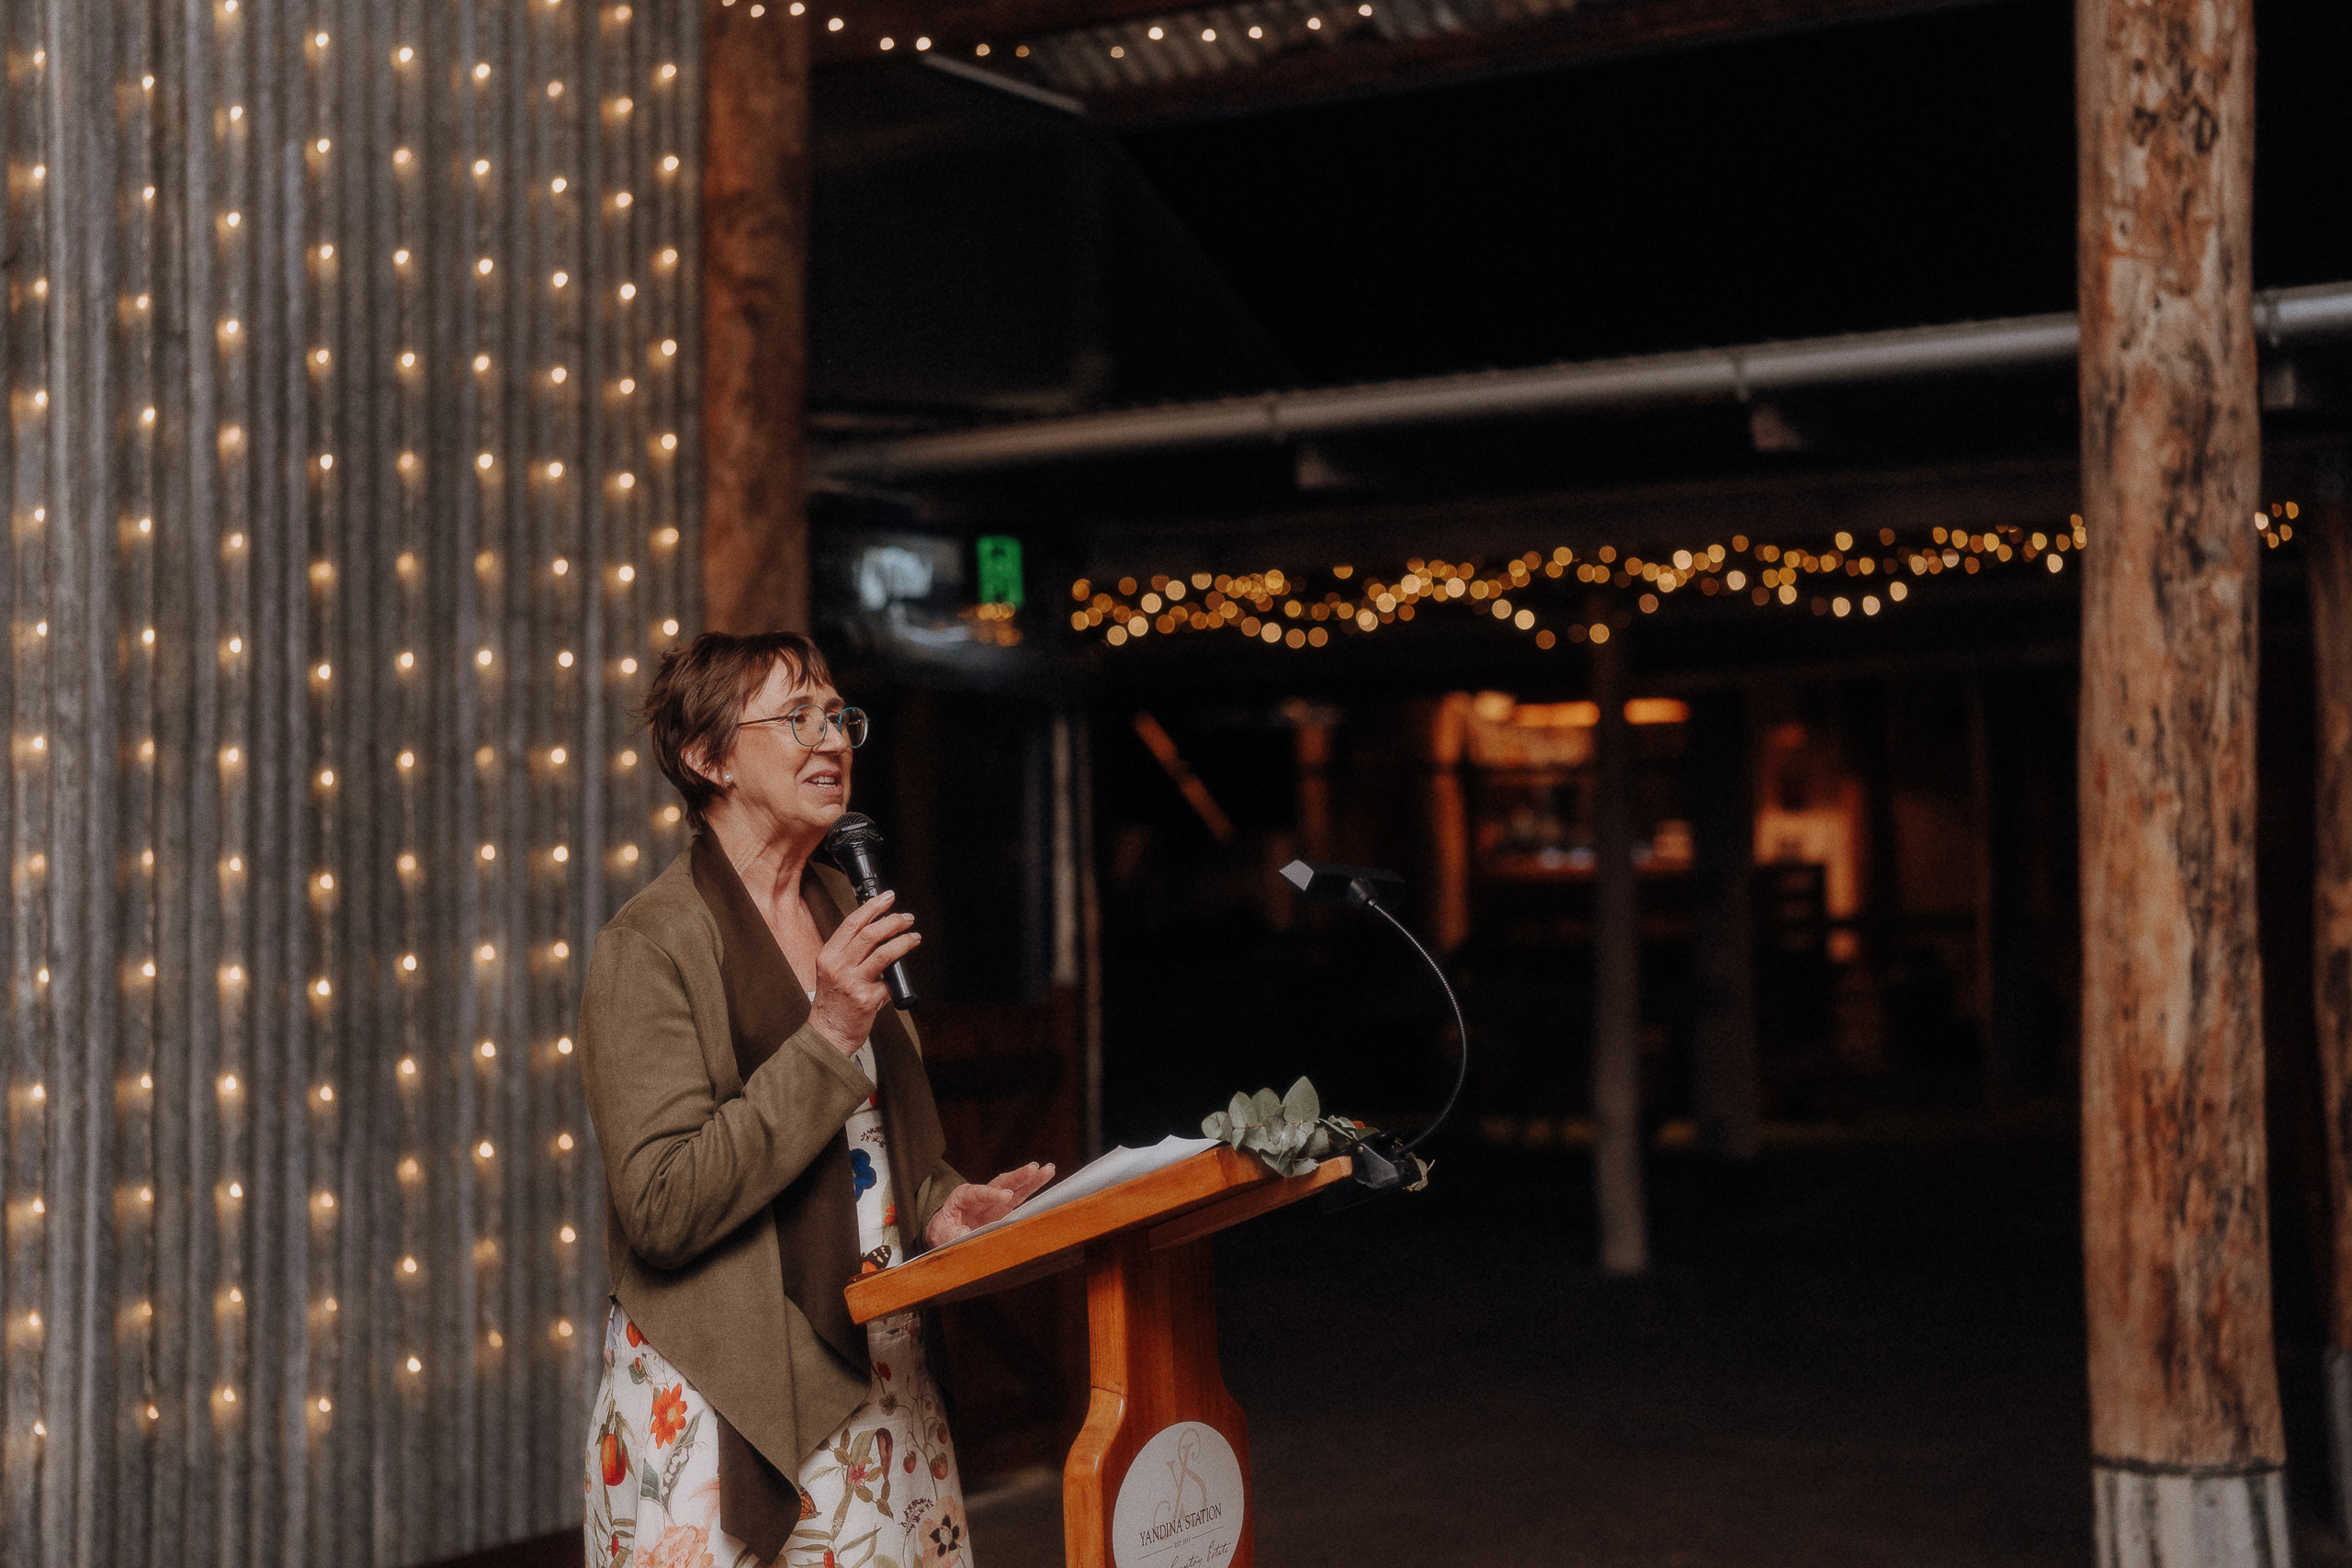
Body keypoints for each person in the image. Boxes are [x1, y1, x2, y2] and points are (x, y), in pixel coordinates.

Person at [579, 630, 1055, 1568]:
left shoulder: (845, 902)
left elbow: (870, 1138)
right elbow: (664, 1207)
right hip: (727, 1399)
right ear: (705, 757)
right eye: (796, 717)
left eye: (838, 716)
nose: (831, 739)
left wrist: (939, 1203)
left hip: (887, 1377)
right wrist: (829, 1032)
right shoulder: (650, 945)